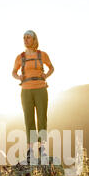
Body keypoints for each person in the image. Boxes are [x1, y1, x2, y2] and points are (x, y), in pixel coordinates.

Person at [12, 30, 54, 163]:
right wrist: (18, 76)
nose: (25, 40)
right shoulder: (20, 57)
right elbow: (13, 72)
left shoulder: (42, 55)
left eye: (28, 37)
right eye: (24, 37)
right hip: (26, 90)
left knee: (42, 118)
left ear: (34, 39)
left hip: (41, 89)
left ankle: (42, 148)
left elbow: (51, 68)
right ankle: (30, 150)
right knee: (28, 119)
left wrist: (45, 75)